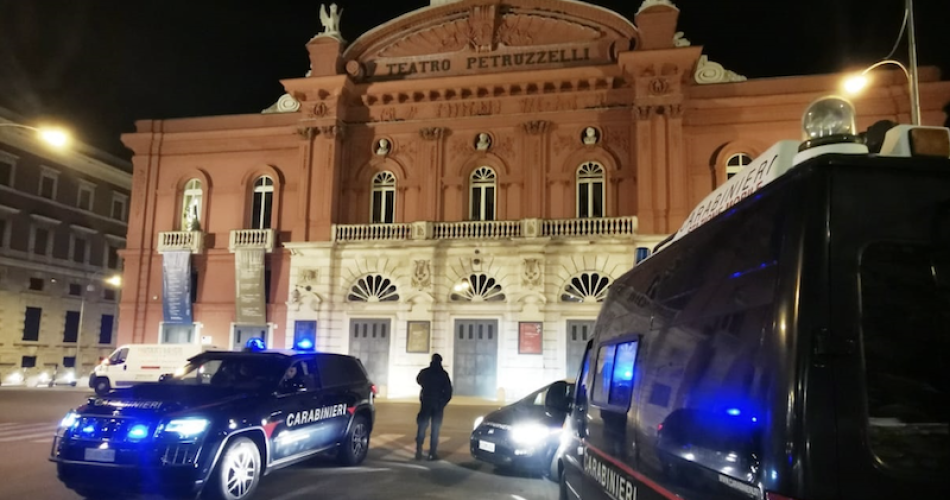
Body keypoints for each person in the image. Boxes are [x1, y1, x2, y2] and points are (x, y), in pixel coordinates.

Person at [415, 353, 452, 460]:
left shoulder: (425, 372)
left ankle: (418, 451)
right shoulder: (443, 374)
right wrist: (442, 403)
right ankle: (432, 453)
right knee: (435, 430)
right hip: (437, 406)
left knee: (421, 427)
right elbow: (448, 392)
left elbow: (418, 380)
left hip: (426, 404)